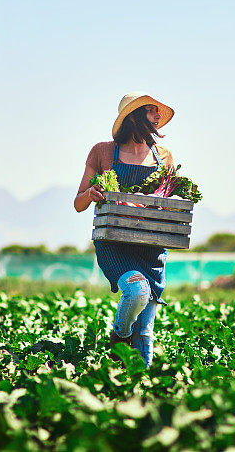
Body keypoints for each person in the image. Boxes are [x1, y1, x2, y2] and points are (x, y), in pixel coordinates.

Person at [74, 91, 175, 368]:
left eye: (158, 112)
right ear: (134, 116)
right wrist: (92, 192)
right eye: (151, 111)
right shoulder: (103, 151)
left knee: (145, 333)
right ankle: (119, 335)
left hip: (150, 249)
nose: (157, 117)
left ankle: (136, 392)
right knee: (137, 291)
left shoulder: (163, 156)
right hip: (114, 245)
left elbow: (164, 204)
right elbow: (78, 203)